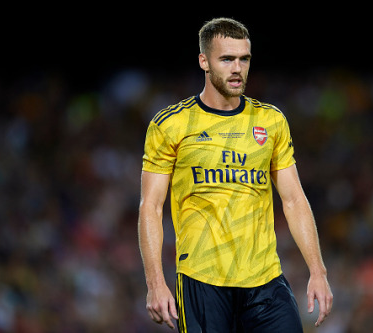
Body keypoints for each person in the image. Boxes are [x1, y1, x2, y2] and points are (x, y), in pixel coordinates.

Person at [138, 17, 333, 332]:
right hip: (202, 281)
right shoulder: (170, 124)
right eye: (226, 59)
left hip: (265, 281)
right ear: (204, 61)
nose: (237, 68)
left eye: (244, 59)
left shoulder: (270, 121)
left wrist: (318, 271)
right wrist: (155, 282)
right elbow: (150, 205)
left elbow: (294, 199)